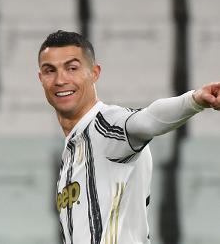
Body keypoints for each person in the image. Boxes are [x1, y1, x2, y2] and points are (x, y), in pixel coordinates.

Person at [37, 30, 220, 244]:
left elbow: (146, 120)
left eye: (72, 68)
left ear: (94, 73)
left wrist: (195, 100)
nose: (60, 79)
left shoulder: (105, 124)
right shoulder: (72, 150)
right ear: (41, 79)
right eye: (50, 71)